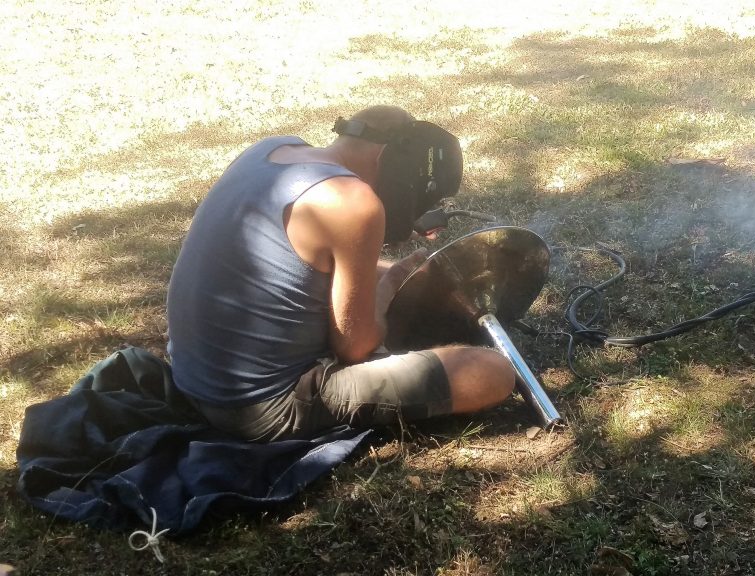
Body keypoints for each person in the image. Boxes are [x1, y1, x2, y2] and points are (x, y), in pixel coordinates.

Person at [166, 105, 516, 442]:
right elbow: (356, 346)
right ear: (390, 163)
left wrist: (396, 274)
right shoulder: (353, 202)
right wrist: (388, 287)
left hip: (191, 378)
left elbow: (301, 267)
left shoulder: (272, 149)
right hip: (258, 408)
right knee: (491, 372)